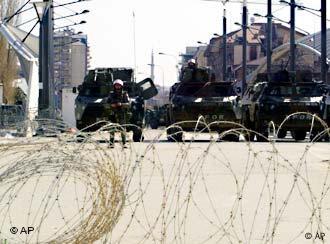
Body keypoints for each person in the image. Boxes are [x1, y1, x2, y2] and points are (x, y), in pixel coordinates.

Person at [107, 79, 130, 148]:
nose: (117, 87)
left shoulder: (125, 94)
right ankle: (111, 143)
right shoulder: (111, 94)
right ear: (114, 86)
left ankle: (124, 143)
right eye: (116, 85)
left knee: (123, 129)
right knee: (112, 129)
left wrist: (121, 104)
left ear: (121, 86)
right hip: (113, 113)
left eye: (119, 85)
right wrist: (111, 105)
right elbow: (106, 104)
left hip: (121, 113)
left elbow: (128, 104)